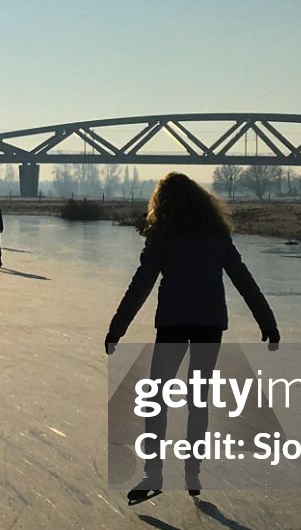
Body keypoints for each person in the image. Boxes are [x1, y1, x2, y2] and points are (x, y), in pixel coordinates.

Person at [104, 173, 280, 506]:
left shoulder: (163, 236)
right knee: (197, 400)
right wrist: (267, 322)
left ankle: (154, 473)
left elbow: (140, 285)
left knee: (156, 398)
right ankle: (192, 473)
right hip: (209, 325)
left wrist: (117, 328)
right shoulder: (216, 236)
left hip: (172, 324)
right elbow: (244, 280)